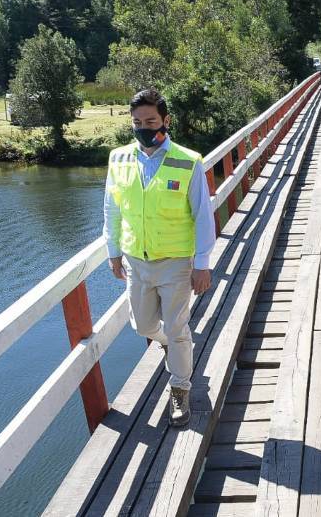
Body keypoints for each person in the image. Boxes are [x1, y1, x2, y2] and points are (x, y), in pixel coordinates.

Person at [103, 89, 215, 427]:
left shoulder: (187, 160)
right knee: (143, 326)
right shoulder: (119, 159)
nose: (143, 128)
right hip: (136, 261)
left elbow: (203, 216)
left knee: (177, 327)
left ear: (166, 120)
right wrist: (113, 251)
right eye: (137, 122)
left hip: (176, 263)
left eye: (150, 121)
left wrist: (202, 264)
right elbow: (112, 209)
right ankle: (175, 345)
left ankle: (180, 388)